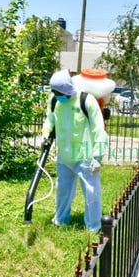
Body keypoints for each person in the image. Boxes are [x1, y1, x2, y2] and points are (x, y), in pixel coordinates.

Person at [42, 69, 108, 232]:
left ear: (68, 89)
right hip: (64, 157)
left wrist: (97, 156)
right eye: (55, 92)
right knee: (63, 191)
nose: (57, 95)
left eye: (59, 92)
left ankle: (94, 226)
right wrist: (45, 134)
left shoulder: (86, 100)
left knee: (91, 194)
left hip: (85, 157)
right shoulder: (55, 101)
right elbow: (50, 120)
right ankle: (61, 219)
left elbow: (99, 129)